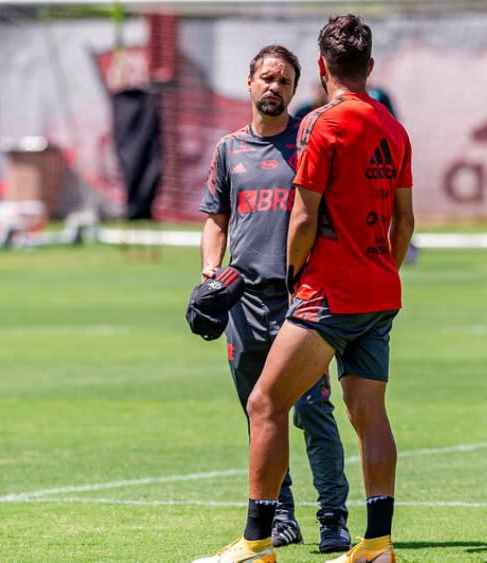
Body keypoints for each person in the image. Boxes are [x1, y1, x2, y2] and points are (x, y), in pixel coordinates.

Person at [194, 14, 414, 563]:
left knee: (266, 403)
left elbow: (302, 218)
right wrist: (382, 269)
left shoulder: (319, 124)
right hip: (380, 293)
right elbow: (405, 222)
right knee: (368, 412)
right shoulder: (393, 127)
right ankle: (378, 544)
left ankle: (257, 543)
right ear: (370, 66)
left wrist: (295, 280)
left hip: (325, 296)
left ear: (319, 69)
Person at [197, 45, 351, 554]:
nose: (273, 87)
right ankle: (280, 516)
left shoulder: (306, 145)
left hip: (299, 303)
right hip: (242, 304)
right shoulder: (228, 150)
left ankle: (333, 517)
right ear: (249, 82)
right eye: (266, 78)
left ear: (293, 89)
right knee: (259, 414)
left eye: (284, 81)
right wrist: (210, 272)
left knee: (313, 410)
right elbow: (216, 219)